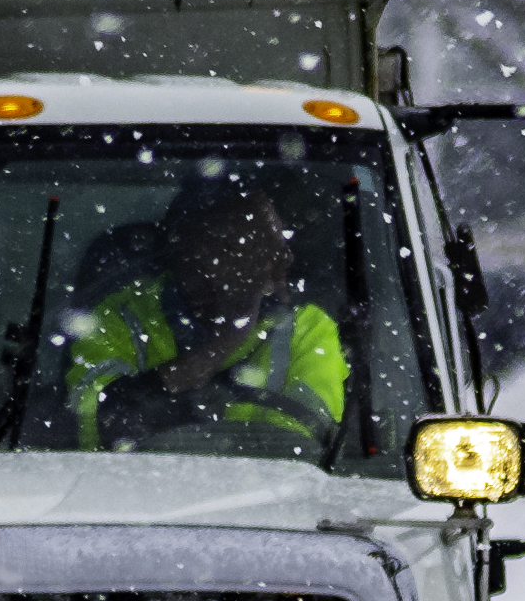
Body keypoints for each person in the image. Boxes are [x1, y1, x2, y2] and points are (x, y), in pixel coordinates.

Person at [66, 181, 348, 456]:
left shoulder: (307, 328)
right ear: (195, 253)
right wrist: (220, 345)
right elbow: (96, 433)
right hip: (124, 495)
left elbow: (306, 453)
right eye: (257, 246)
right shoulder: (117, 318)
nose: (283, 258)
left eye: (280, 245)